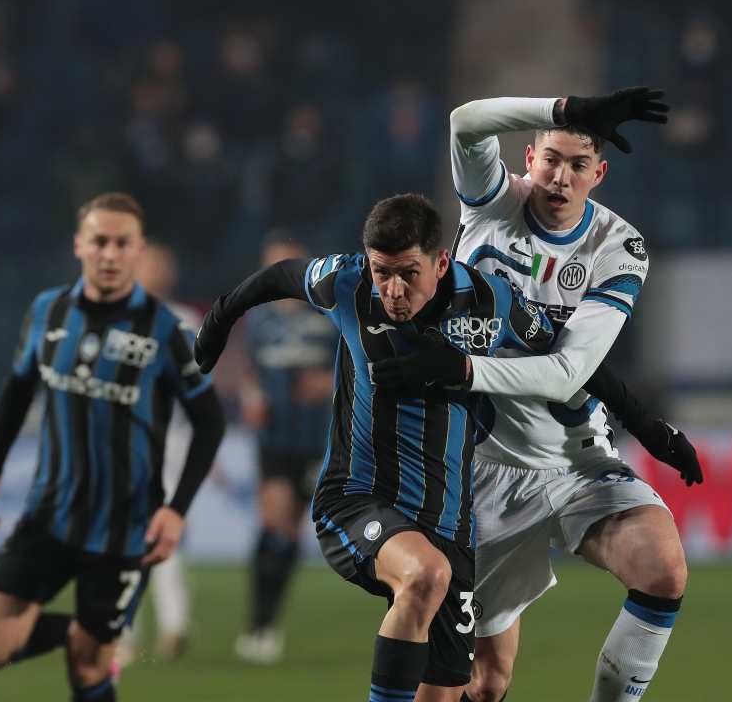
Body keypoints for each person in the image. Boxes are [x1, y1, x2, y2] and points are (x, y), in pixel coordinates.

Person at [373, 89, 702, 702]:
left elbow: (567, 371)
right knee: (481, 683)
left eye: (578, 165)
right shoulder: (495, 203)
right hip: (478, 468)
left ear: (598, 175)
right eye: (550, 158)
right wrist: (566, 107)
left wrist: (461, 368)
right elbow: (464, 123)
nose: (560, 176)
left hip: (574, 461)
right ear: (529, 157)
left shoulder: (618, 247)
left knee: (664, 569)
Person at [194, 193, 556, 702]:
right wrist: (222, 316)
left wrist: (641, 423)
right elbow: (282, 275)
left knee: (479, 686)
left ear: (441, 262)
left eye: (407, 273)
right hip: (358, 500)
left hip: (451, 526)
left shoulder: (491, 302)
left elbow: (564, 359)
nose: (391, 289)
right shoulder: (347, 282)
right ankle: (261, 621)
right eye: (381, 271)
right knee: (426, 574)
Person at [0, 193, 226, 702]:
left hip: (124, 530)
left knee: (88, 673)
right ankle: (88, 639)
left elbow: (210, 423)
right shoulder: (48, 310)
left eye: (121, 243)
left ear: (138, 250)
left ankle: (93, 649)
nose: (109, 253)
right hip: (48, 516)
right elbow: (17, 390)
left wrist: (176, 511)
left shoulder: (166, 332)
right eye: (99, 241)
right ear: (79, 246)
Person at [233, 232, 338, 664]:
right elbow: (246, 370)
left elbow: (359, 368)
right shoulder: (261, 320)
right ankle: (260, 622)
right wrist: (249, 395)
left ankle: (266, 622)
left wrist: (328, 384)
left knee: (290, 530)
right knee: (274, 523)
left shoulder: (330, 314)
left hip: (316, 439)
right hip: (274, 438)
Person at [115, 241, 212, 666]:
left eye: (162, 265)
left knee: (163, 537)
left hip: (171, 443)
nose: (156, 272)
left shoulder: (184, 321)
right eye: (150, 264)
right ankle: (122, 632)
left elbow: (198, 386)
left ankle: (174, 627)